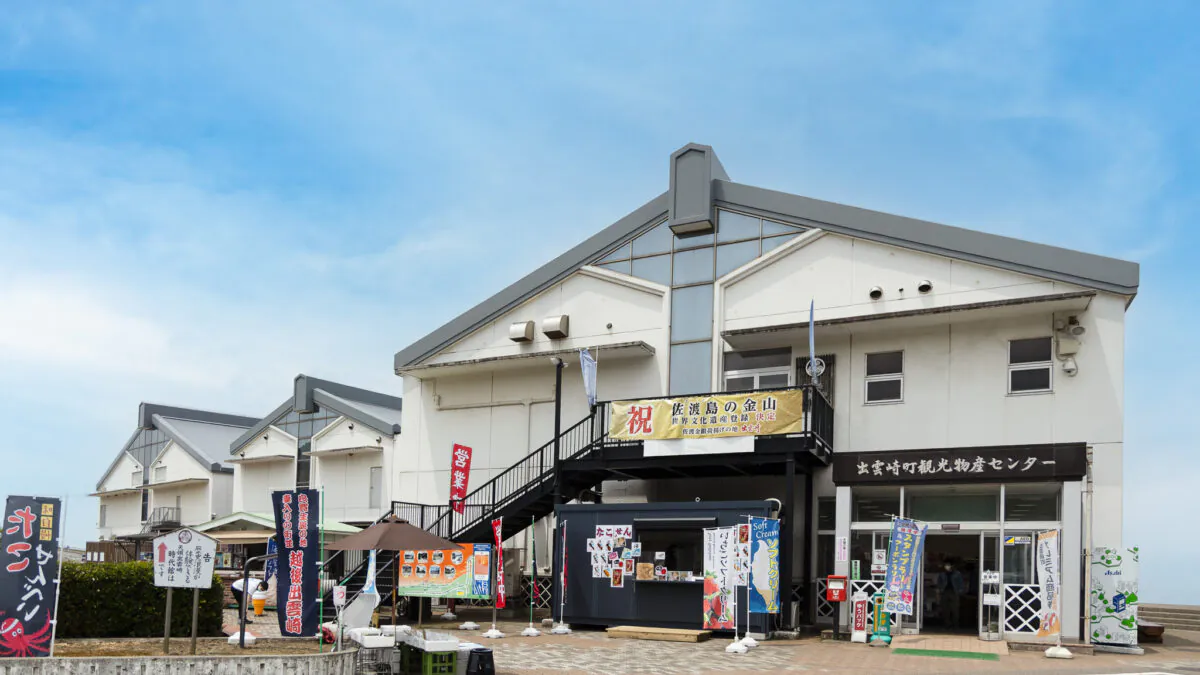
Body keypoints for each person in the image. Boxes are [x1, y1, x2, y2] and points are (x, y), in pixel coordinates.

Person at [936, 560, 966, 629]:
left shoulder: (957, 574)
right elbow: (939, 583)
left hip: (954, 592)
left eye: (948, 565)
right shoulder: (942, 574)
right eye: (946, 565)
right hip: (945, 592)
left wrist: (960, 591)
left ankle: (956, 624)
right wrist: (939, 590)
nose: (947, 567)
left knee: (955, 609)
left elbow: (960, 583)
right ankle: (947, 624)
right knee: (945, 609)